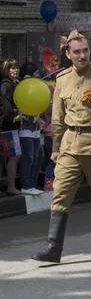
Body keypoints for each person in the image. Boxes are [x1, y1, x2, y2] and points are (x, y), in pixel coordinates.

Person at [32, 30, 91, 263]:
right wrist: (55, 147)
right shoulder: (62, 79)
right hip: (70, 146)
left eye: (85, 51)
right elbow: (58, 117)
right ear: (68, 54)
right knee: (60, 194)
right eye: (77, 52)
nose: (82, 55)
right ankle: (54, 248)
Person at [18, 62, 45, 195]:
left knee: (37, 157)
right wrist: (36, 119)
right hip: (26, 130)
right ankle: (26, 185)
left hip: (35, 131)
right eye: (36, 72)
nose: (38, 75)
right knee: (28, 158)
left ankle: (32, 184)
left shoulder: (34, 86)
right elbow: (22, 111)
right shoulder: (25, 87)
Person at [1, 59, 21, 196]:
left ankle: (11, 186)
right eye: (11, 68)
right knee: (14, 155)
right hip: (8, 125)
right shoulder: (6, 84)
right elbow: (9, 106)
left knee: (13, 156)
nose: (15, 70)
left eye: (16, 67)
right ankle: (11, 186)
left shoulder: (16, 83)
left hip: (13, 124)